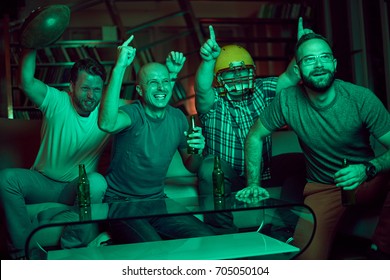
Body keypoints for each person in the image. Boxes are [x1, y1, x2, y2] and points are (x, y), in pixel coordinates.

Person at [244, 32, 390, 259]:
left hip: (366, 179)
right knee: (305, 265)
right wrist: (253, 184)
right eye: (309, 59)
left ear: (334, 63)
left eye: (324, 57)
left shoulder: (361, 98)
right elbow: (254, 135)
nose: (319, 65)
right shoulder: (287, 100)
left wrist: (367, 168)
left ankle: (379, 252)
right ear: (298, 70)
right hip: (324, 187)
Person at [0, 46, 127, 258]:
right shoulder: (56, 100)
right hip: (42, 181)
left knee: (96, 182)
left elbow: (146, 104)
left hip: (77, 187)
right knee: (5, 179)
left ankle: (71, 251)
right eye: (85, 88)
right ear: (71, 86)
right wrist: (31, 43)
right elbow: (26, 81)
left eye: (97, 90)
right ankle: (22, 254)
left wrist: (170, 74)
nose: (91, 96)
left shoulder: (108, 111)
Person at [194, 18, 311, 234]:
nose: (238, 76)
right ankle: (223, 235)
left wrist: (303, 47)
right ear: (218, 78)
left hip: (262, 172)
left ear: (253, 71)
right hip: (228, 177)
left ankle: (286, 229)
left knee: (301, 161)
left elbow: (292, 76)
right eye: (230, 72)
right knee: (211, 166)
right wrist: (209, 61)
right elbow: (201, 89)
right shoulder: (213, 100)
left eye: (243, 70)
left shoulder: (262, 88)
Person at [98, 36, 214, 244]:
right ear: (140, 90)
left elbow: (193, 166)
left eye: (165, 81)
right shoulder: (132, 114)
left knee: (207, 238)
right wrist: (120, 66)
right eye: (153, 83)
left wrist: (197, 150)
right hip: (122, 203)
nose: (161, 88)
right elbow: (106, 123)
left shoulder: (178, 118)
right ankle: (111, 239)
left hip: (157, 202)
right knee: (154, 249)